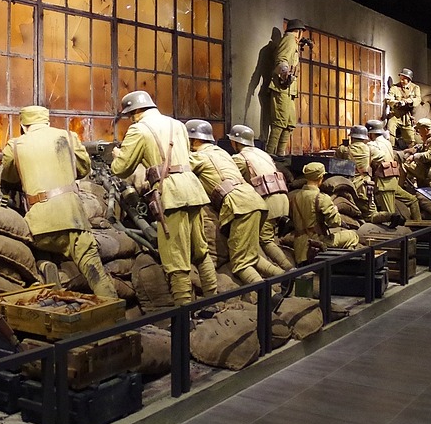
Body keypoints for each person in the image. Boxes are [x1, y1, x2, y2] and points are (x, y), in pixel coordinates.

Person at [111, 91, 218, 306]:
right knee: (200, 251)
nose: (131, 119)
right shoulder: (177, 124)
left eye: (130, 115)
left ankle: (184, 315)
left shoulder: (139, 129)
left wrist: (117, 156)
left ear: (135, 112)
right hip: (192, 190)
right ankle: (214, 302)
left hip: (171, 195)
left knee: (175, 259)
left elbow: (121, 169)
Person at [0, 105, 118, 298]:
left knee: (34, 247)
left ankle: (45, 266)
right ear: (47, 121)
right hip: (73, 218)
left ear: (23, 125)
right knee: (94, 270)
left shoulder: (14, 145)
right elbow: (83, 168)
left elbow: (9, 177)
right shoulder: (69, 137)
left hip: (40, 222)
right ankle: (112, 307)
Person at [185, 120, 284, 285]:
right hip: (255, 201)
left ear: (193, 140)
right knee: (251, 255)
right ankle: (286, 278)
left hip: (239, 206)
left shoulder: (198, 157)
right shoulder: (222, 153)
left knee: (240, 264)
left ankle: (270, 296)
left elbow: (177, 172)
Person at [228, 124, 294, 270]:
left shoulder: (239, 158)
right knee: (268, 237)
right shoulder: (263, 154)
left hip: (267, 200)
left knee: (265, 240)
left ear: (235, 142)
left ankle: (289, 271)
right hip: (282, 198)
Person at [288, 162, 361, 265]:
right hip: (317, 242)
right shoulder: (322, 198)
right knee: (352, 236)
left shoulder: (294, 197)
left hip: (299, 246)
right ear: (320, 178)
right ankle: (343, 266)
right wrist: (335, 210)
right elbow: (334, 223)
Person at [266, 18, 309, 157]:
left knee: (289, 123)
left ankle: (280, 154)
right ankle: (270, 154)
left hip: (289, 90)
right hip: (282, 87)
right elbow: (281, 59)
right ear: (299, 31)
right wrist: (285, 75)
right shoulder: (289, 40)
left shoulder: (293, 42)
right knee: (279, 122)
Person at [366, 119, 420, 219]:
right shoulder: (387, 143)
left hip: (384, 183)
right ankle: (418, 223)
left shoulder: (372, 145)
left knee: (390, 215)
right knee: (413, 200)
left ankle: (403, 229)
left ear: (371, 134)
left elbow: (372, 160)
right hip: (393, 181)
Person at [347, 125, 400, 226]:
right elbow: (382, 156)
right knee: (371, 214)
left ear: (352, 137)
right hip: (365, 186)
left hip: (349, 186)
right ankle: (389, 216)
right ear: (364, 137)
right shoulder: (369, 149)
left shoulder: (343, 150)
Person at [385, 68, 422, 148]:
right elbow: (388, 99)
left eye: (404, 79)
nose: (401, 81)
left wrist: (409, 101)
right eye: (401, 78)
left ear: (409, 79)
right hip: (396, 114)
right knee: (390, 130)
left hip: (407, 116)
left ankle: (411, 151)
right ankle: (390, 148)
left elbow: (418, 99)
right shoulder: (395, 88)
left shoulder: (415, 88)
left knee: (410, 138)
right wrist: (396, 103)